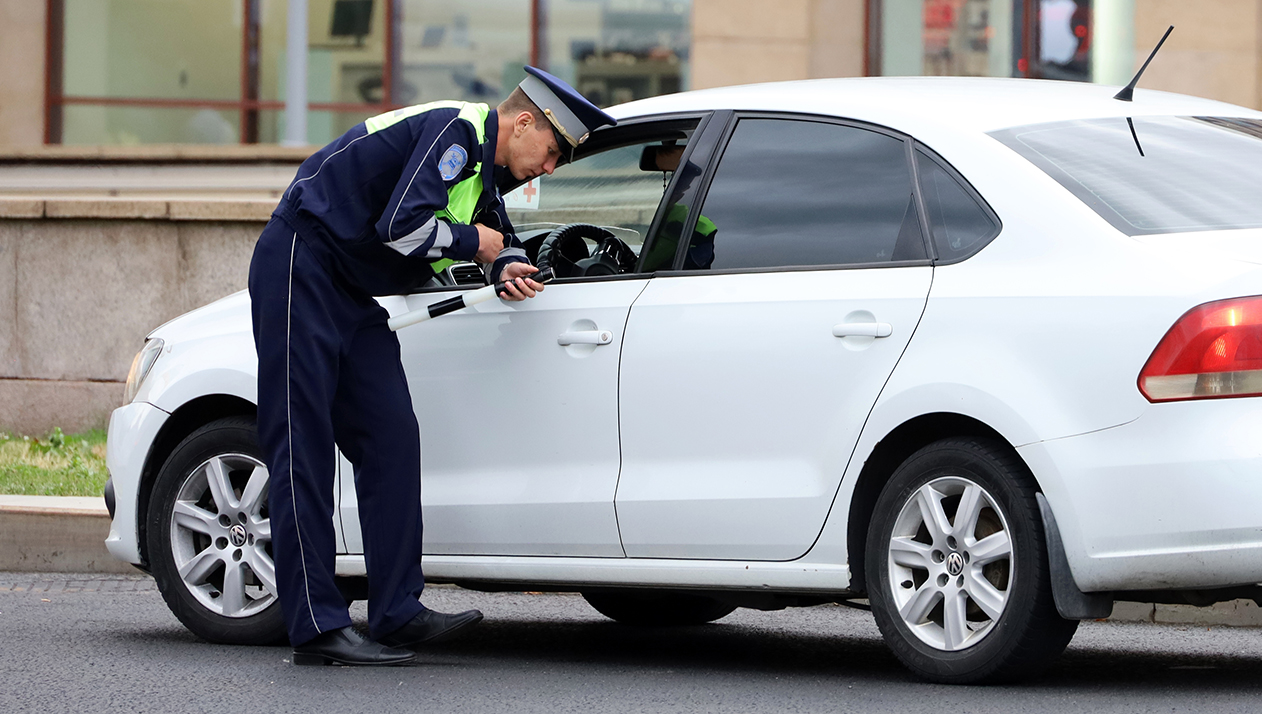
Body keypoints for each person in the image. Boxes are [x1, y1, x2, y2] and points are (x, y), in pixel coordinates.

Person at [248, 67, 616, 666]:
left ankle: (396, 612)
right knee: (302, 445)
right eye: (551, 153)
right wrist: (478, 246)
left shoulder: (483, 169)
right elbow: (402, 227)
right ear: (522, 122)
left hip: (349, 290)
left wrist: (507, 266)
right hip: (301, 262)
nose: (548, 169)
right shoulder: (456, 132)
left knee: (391, 436)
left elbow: (499, 234)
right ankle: (317, 629)